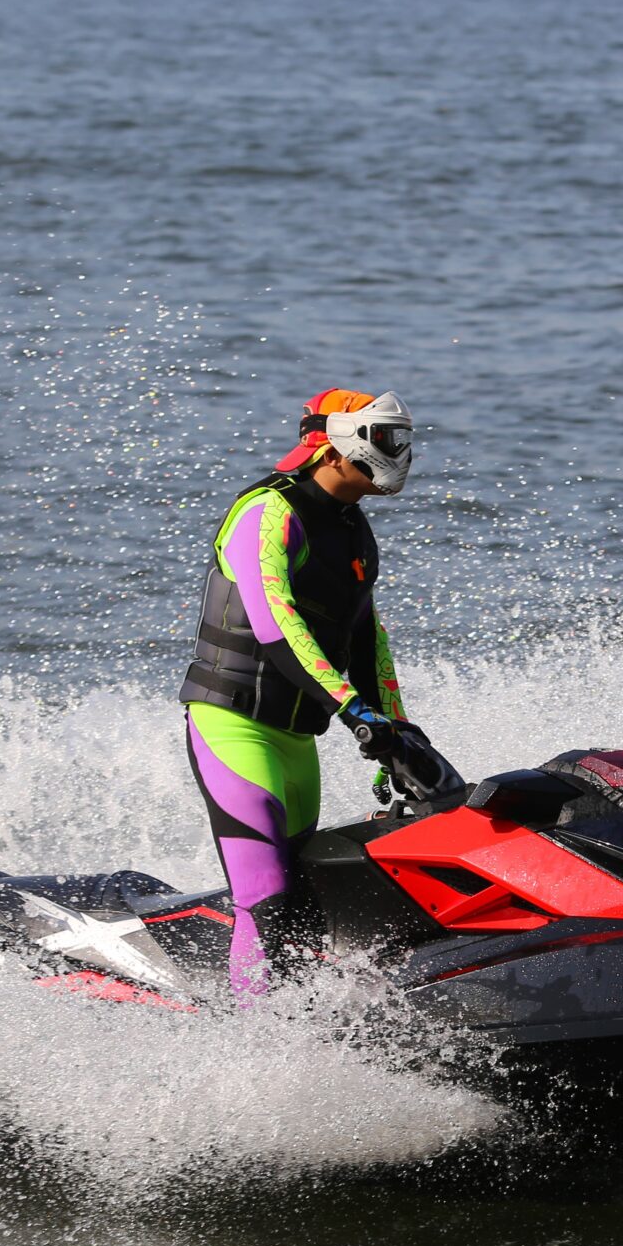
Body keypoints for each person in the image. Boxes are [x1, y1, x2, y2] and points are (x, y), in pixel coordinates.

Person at [179, 387, 426, 994]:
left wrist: (397, 734)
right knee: (267, 903)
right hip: (233, 728)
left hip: (295, 741)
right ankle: (255, 1058)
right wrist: (354, 713)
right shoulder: (267, 513)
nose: (400, 452)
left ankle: (311, 1032)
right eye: (386, 439)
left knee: (306, 914)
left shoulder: (354, 531)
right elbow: (275, 626)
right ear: (336, 446)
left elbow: (366, 639)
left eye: (404, 441)